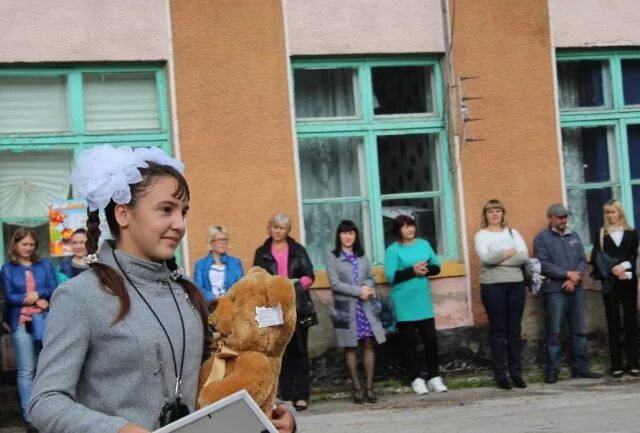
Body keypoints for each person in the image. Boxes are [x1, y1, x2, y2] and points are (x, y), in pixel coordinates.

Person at [28, 146, 295, 433]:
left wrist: (272, 412)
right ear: (123, 213)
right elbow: (44, 402)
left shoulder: (188, 292)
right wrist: (118, 429)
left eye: (184, 212)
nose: (179, 224)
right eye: (166, 209)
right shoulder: (80, 296)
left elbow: (217, 372)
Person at [534, 203, 602, 384]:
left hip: (576, 288)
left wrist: (574, 278)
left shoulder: (574, 236)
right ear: (551, 218)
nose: (564, 220)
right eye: (560, 217)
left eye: (565, 217)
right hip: (554, 290)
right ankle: (552, 370)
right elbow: (543, 264)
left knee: (579, 330)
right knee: (554, 331)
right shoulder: (542, 238)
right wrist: (566, 274)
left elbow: (581, 259)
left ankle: (580, 368)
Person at [253, 213, 315, 411]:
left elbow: (309, 276)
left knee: (300, 351)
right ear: (270, 228)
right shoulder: (261, 252)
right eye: (275, 227)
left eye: (282, 228)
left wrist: (292, 285)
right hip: (272, 309)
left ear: (288, 230)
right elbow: (256, 278)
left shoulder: (298, 250)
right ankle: (286, 394)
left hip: (296, 306)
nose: (278, 231)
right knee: (280, 352)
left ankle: (302, 395)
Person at [1, 227, 58, 433]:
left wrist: (39, 294)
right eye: (24, 244)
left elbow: (52, 288)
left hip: (44, 321)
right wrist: (34, 298)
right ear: (15, 245)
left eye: (31, 244)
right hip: (21, 324)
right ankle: (29, 416)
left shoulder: (44, 264)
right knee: (26, 370)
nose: (28, 248)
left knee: (45, 368)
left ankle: (46, 411)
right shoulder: (8, 268)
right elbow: (9, 296)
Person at [384, 215, 447, 395]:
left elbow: (437, 266)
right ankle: (416, 378)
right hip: (404, 302)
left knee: (430, 339)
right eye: (405, 227)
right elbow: (391, 276)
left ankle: (434, 377)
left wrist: (426, 269)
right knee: (409, 343)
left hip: (423, 301)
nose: (410, 229)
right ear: (398, 231)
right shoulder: (393, 250)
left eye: (411, 226)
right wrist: (412, 271)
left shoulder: (424, 244)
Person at [325, 220, 386, 404]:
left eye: (351, 233)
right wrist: (359, 291)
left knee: (368, 344)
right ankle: (357, 389)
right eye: (344, 233)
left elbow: (370, 276)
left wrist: (367, 286)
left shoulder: (361, 255)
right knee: (350, 347)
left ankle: (369, 388)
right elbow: (335, 284)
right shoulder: (332, 257)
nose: (348, 236)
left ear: (356, 235)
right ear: (339, 236)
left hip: (365, 307)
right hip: (347, 308)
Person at [474, 199, 529, 390]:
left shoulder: (513, 232)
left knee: (514, 330)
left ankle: (516, 373)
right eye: (490, 211)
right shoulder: (481, 235)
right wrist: (510, 251)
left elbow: (524, 256)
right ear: (486, 215)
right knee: (498, 331)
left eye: (498, 211)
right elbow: (486, 258)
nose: (495, 214)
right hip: (492, 286)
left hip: (516, 284)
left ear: (503, 214)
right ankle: (501, 374)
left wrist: (500, 258)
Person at [590, 199, 639, 378]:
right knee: (613, 322)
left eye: (613, 212)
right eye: (607, 213)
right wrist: (613, 269)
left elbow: (636, 256)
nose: (610, 216)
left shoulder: (632, 233)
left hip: (627, 281)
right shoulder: (600, 233)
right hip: (610, 283)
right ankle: (616, 364)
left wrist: (624, 268)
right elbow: (596, 256)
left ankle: (633, 363)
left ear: (620, 212)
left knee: (631, 321)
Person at [193, 225, 244, 303]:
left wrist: (226, 300)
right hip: (209, 307)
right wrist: (215, 300)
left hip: (231, 306)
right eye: (219, 239)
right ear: (211, 242)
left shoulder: (236, 263)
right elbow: (199, 288)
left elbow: (240, 286)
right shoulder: (200, 265)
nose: (223, 243)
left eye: (225, 239)